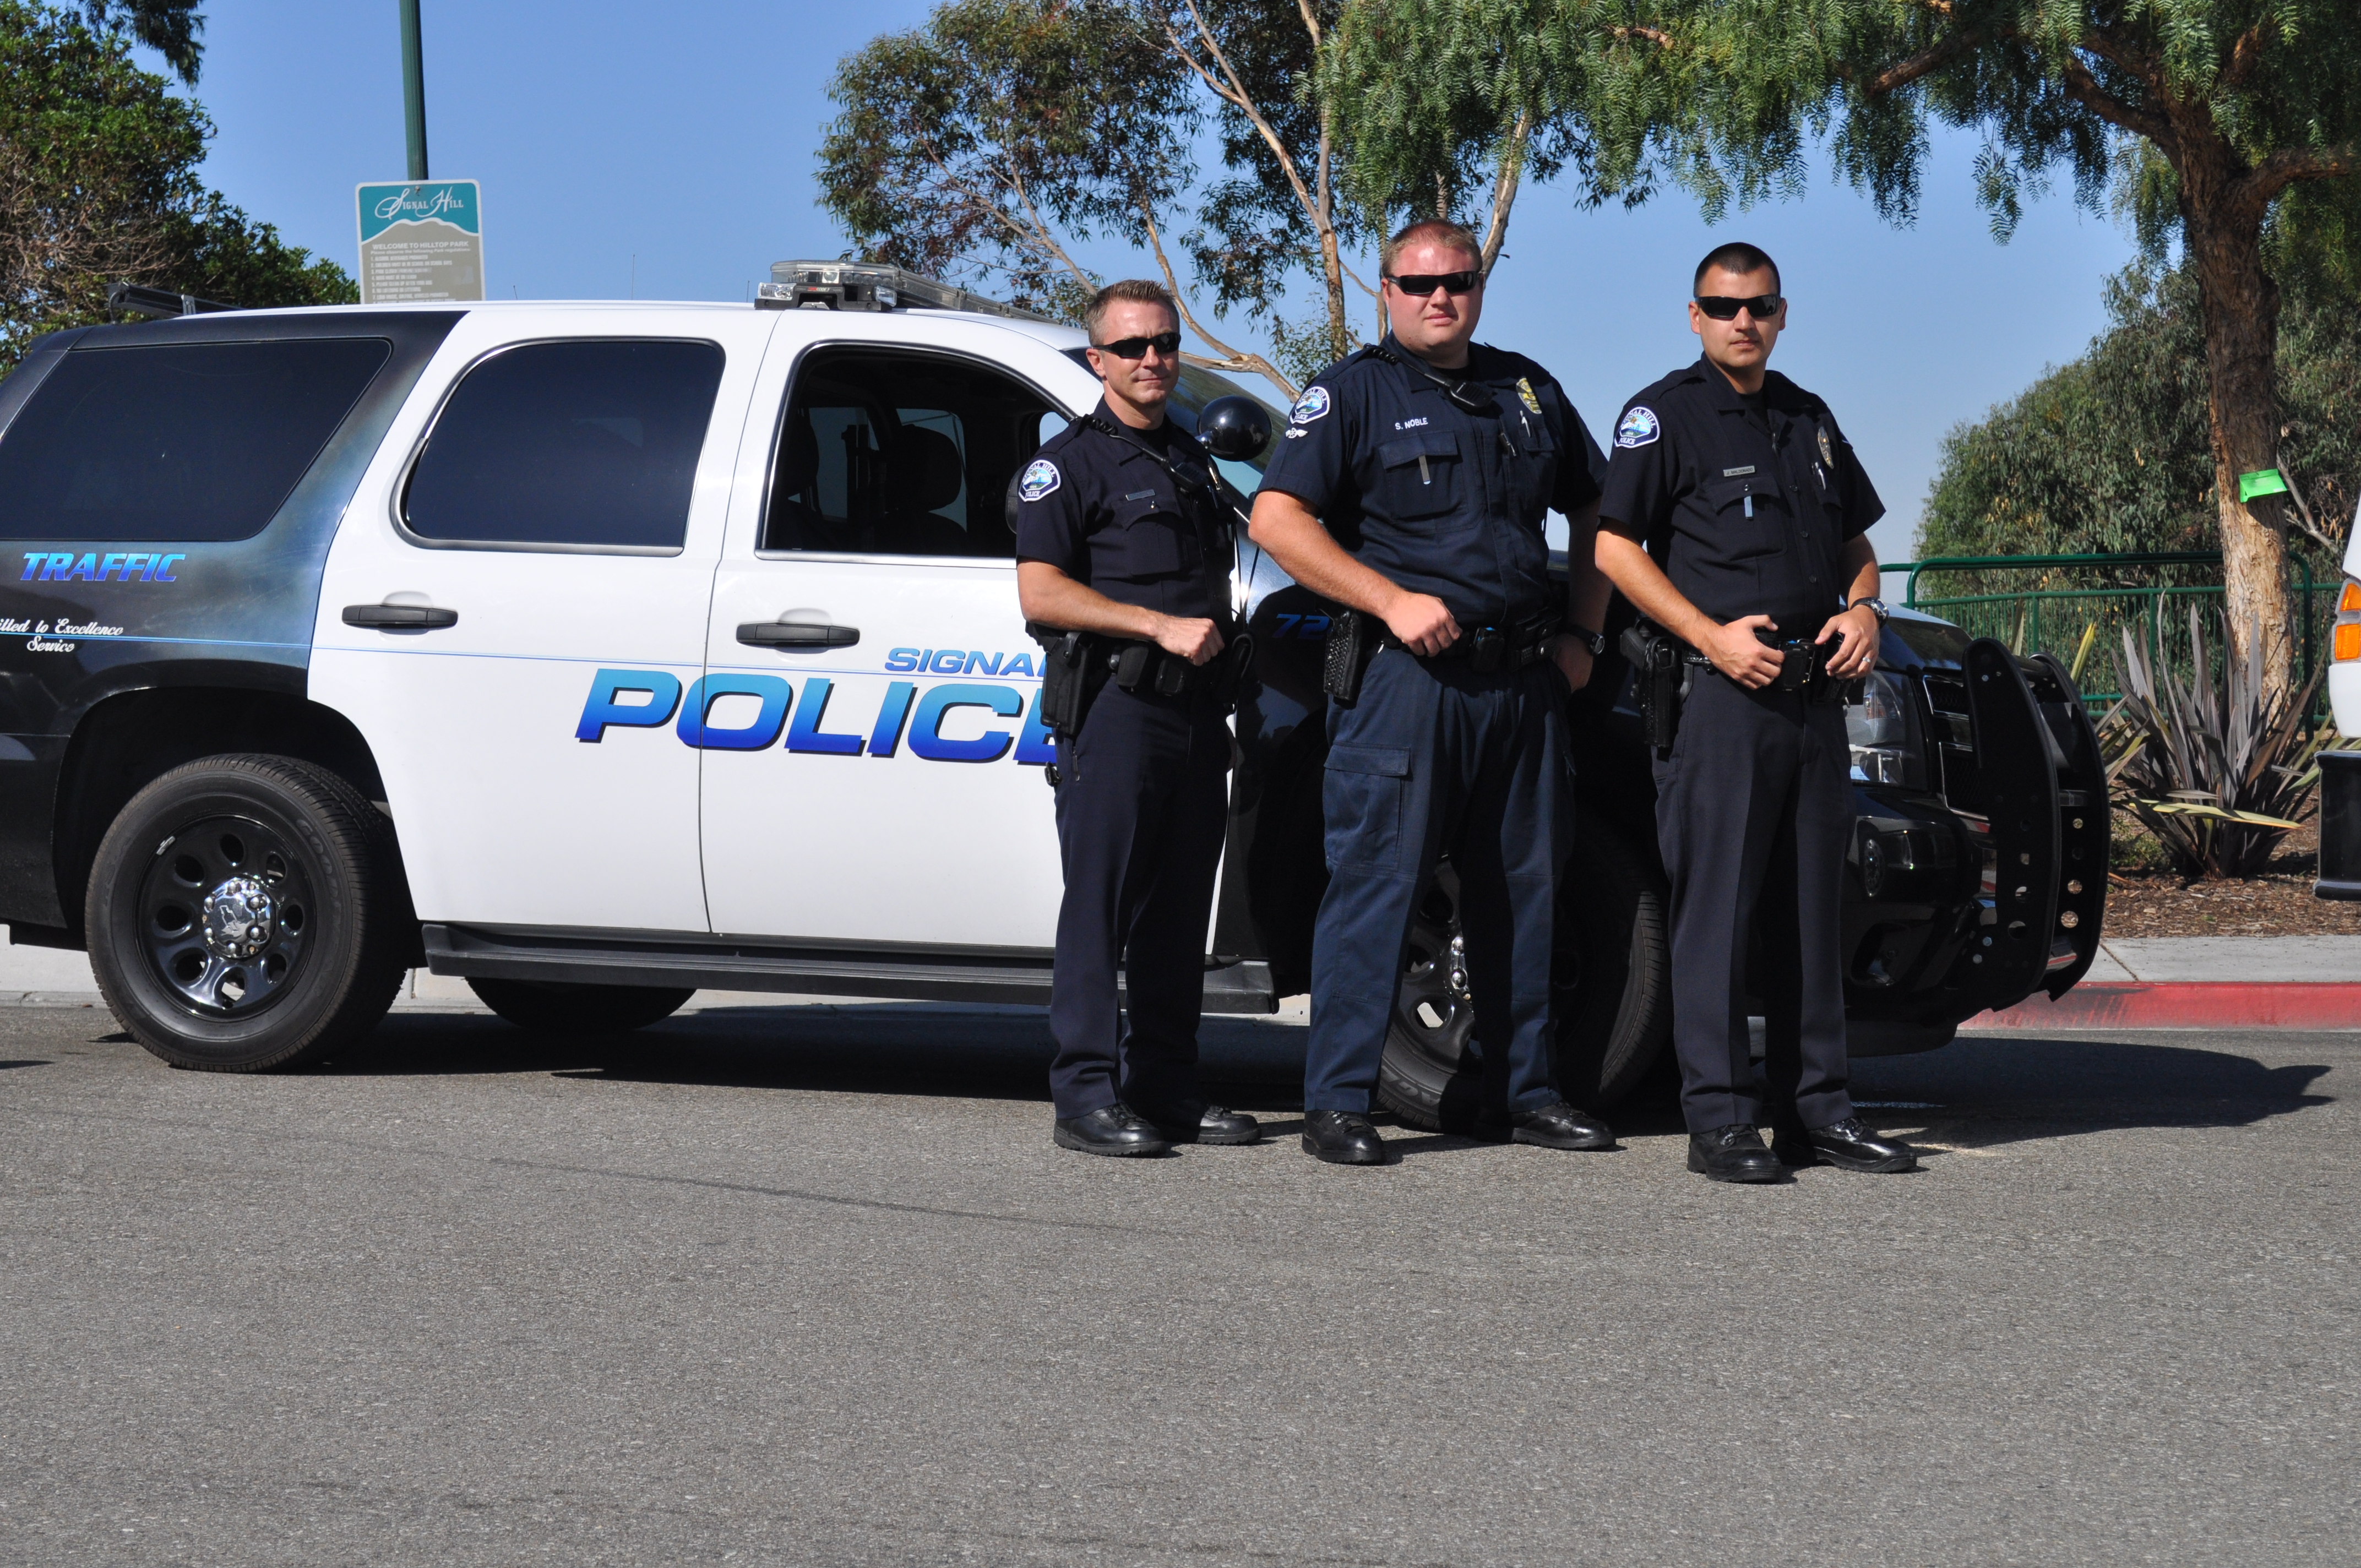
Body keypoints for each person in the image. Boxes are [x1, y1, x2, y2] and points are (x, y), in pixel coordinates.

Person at [1249, 218, 1617, 1166]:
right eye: (1417, 284)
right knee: (1375, 890)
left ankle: (1524, 1093)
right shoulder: (1352, 394)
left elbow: (1598, 512)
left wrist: (1584, 634)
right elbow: (1279, 520)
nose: (1438, 297)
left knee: (1525, 893)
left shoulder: (1526, 389)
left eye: (1456, 281)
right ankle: (1338, 1102)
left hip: (1523, 683)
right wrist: (1390, 600)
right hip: (1405, 686)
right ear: (1386, 291)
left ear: (1479, 287)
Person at [1592, 242, 1919, 1183]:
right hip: (1721, 703)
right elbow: (1616, 550)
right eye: (1724, 306)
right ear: (1694, 316)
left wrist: (1864, 609)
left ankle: (1819, 1113)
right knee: (1718, 916)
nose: (1744, 321)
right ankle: (1721, 1122)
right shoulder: (1663, 417)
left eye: (1761, 306)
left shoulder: (1806, 417)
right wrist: (1709, 637)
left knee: (1812, 914)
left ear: (1782, 316)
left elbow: (1857, 543)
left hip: (1815, 703)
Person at [1012, 279, 1260, 1157]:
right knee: (1102, 909)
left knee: (1177, 910)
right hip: (1116, 709)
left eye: (1162, 344)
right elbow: (1040, 593)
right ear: (1097, 360)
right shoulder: (1068, 465)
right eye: (1131, 348)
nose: (1151, 360)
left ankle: (1164, 1083)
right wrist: (1154, 623)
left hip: (1194, 712)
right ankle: (1085, 1094)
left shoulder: (1191, 459)